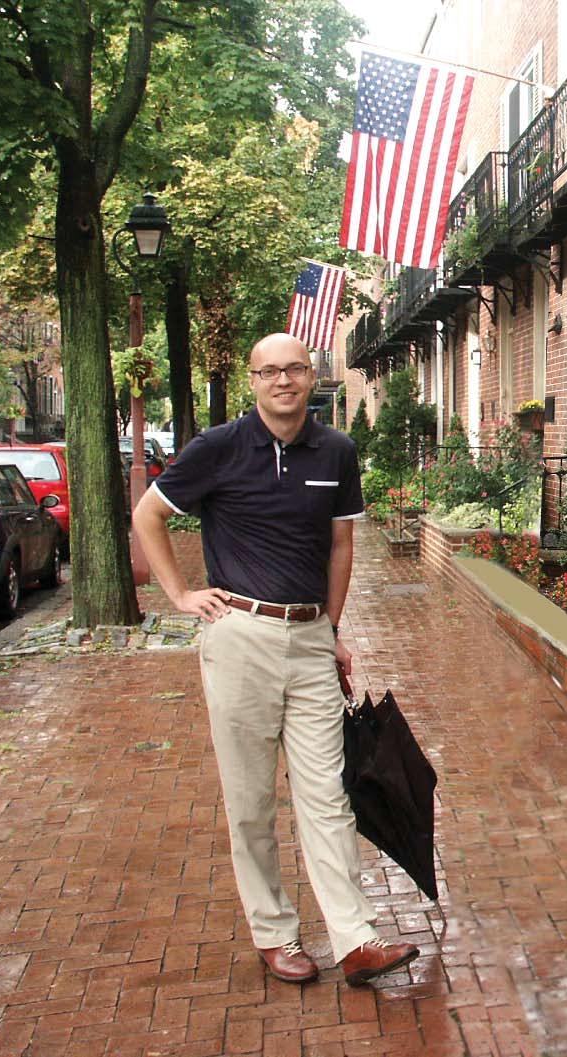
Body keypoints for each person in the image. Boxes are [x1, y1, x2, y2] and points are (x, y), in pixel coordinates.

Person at [132, 333, 419, 986]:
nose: (283, 380)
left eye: (294, 368)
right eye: (269, 371)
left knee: (326, 796)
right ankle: (274, 932)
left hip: (311, 637)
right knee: (251, 801)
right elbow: (148, 515)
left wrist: (333, 627)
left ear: (311, 375)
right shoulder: (218, 448)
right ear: (252, 379)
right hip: (238, 636)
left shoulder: (336, 450)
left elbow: (340, 544)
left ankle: (354, 940)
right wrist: (180, 593)